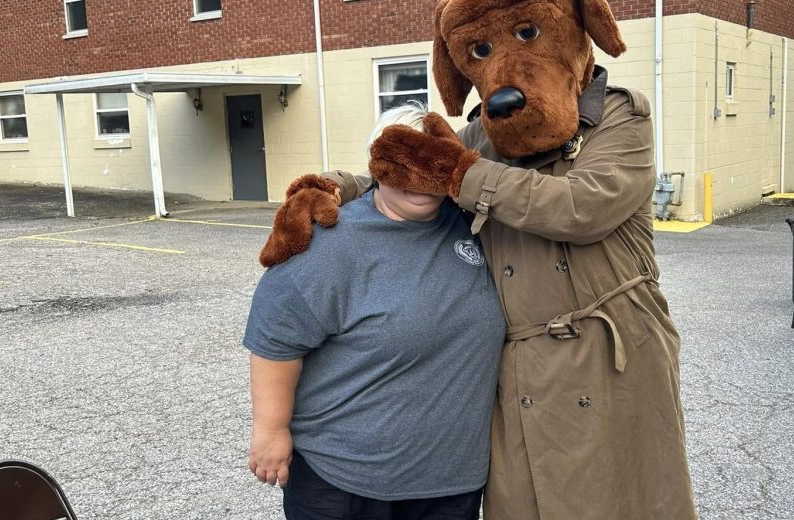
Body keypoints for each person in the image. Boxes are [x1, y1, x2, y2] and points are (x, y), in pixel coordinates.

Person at [261, 0, 697, 517]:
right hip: (525, 365)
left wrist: (462, 172)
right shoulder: (485, 137)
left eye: (529, 33)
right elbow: (415, 166)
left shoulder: (618, 118)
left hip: (611, 352)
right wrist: (332, 186)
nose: (505, 73)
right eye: (482, 50)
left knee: (623, 497)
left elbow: (583, 207)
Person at [243, 103, 505, 520]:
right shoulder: (330, 240)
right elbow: (277, 338)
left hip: (451, 484)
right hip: (343, 482)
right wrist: (270, 430)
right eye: (403, 163)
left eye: (433, 163)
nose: (419, 179)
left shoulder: (473, 224)